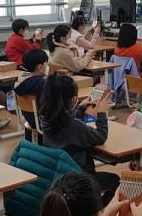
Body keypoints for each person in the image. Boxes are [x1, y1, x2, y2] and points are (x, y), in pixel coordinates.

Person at [39, 73, 119, 203]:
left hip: (60, 176)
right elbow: (100, 137)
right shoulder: (74, 126)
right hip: (80, 180)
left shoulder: (46, 119)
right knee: (116, 180)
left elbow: (66, 121)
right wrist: (102, 113)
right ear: (73, 100)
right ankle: (93, 209)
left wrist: (80, 108)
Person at [14, 49, 48, 143]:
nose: (47, 66)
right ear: (40, 67)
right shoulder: (43, 85)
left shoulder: (19, 83)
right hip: (45, 123)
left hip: (31, 121)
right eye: (46, 64)